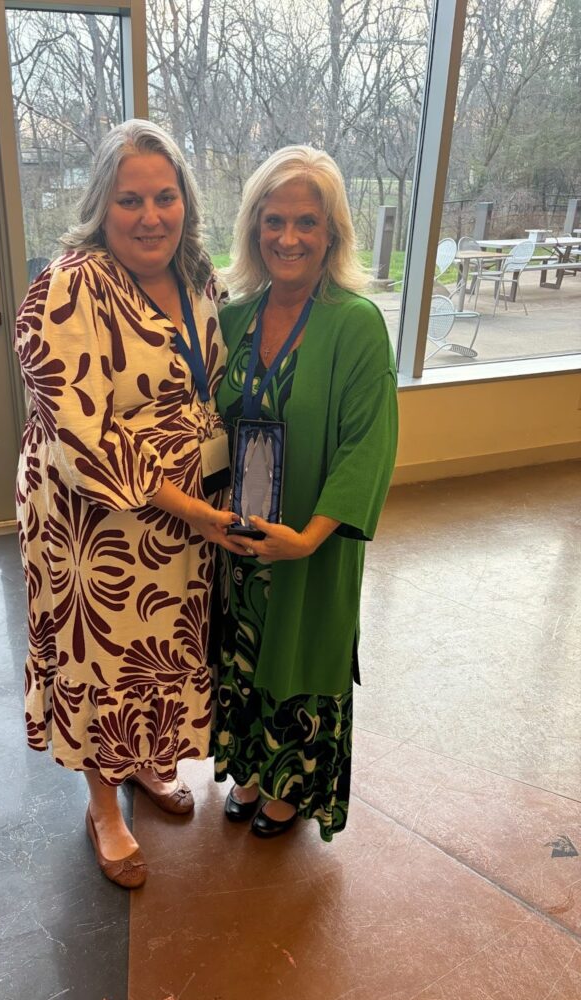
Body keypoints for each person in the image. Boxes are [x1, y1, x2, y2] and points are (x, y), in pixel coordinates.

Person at [14, 120, 240, 888]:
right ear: (101, 208)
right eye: (131, 200)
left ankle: (146, 765)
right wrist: (190, 505)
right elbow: (80, 428)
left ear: (187, 202)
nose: (151, 216)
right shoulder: (71, 286)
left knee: (161, 655)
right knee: (102, 662)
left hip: (180, 529)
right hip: (97, 527)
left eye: (166, 196)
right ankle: (103, 808)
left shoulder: (198, 276)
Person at [212, 145, 398, 840]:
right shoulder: (233, 320)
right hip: (238, 535)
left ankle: (290, 784)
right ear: (255, 229)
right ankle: (251, 771)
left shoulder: (355, 324)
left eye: (306, 222)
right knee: (243, 651)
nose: (288, 237)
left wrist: (312, 536)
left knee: (299, 652)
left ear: (332, 234)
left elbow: (367, 444)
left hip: (309, 541)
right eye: (274, 220)